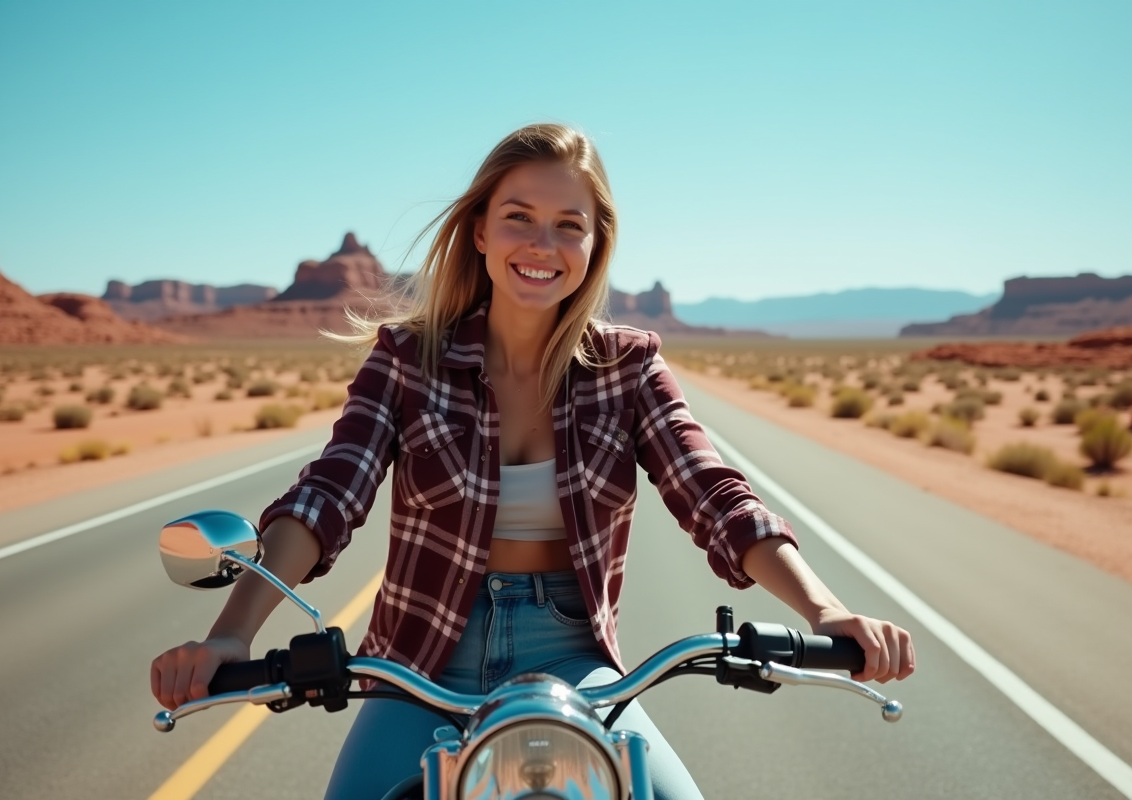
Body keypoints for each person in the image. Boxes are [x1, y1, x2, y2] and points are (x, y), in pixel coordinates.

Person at [151, 123, 915, 800]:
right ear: (480, 230)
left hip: (575, 658)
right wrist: (232, 634)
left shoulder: (631, 368)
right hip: (420, 658)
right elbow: (329, 495)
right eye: (519, 218)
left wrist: (823, 611)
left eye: (567, 226)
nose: (542, 245)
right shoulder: (407, 359)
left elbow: (714, 496)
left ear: (593, 245)